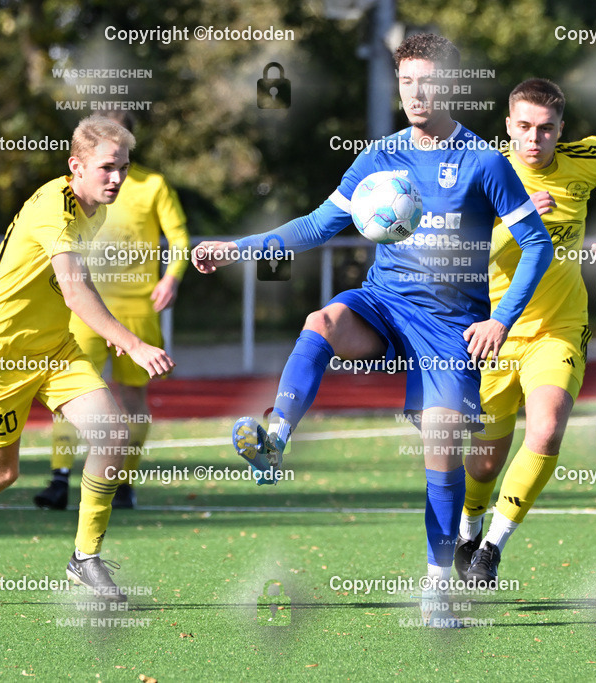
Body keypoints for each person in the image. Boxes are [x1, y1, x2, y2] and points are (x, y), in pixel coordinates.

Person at [193, 33, 553, 627]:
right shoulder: (381, 157)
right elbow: (315, 226)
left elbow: (537, 248)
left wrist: (499, 319)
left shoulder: (485, 162)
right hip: (385, 303)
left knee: (442, 448)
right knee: (323, 320)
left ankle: (440, 584)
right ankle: (276, 437)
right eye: (406, 81)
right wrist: (238, 247)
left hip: (451, 327)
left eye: (429, 80)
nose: (416, 93)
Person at [0, 115, 175, 602]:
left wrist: (115, 333)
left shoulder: (93, 207)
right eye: (106, 168)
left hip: (55, 349)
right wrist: (133, 342)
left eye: (123, 166)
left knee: (112, 432)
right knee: (1, 472)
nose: (117, 178)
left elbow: (73, 283)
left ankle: (85, 558)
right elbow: (75, 290)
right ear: (75, 166)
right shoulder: (53, 211)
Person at [455, 78, 596, 587]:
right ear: (507, 127)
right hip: (493, 335)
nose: (534, 139)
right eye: (524, 128)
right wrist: (518, 221)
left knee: (548, 429)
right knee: (484, 464)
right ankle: (469, 528)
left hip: (559, 328)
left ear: (560, 130)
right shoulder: (483, 175)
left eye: (546, 129)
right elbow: (460, 256)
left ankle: (491, 549)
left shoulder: (586, 155)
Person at [34, 111, 190, 511]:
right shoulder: (77, 189)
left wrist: (171, 277)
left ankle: (122, 481)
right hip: (86, 309)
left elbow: (179, 239)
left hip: (137, 309)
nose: (114, 177)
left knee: (133, 397)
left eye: (120, 159)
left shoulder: (153, 185)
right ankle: (59, 477)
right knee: (70, 392)